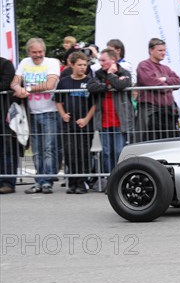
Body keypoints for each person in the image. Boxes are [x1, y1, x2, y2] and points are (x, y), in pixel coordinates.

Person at [11, 38, 61, 194]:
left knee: (49, 149)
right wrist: (18, 88)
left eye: (40, 52)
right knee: (37, 151)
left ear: (44, 51)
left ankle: (47, 181)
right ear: (29, 52)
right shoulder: (25, 62)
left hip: (50, 111)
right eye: (34, 52)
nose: (38, 55)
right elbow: (14, 82)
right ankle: (39, 181)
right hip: (32, 112)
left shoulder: (52, 62)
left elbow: (50, 84)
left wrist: (28, 89)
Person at [54, 51, 95, 194]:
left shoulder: (90, 81)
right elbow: (58, 101)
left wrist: (86, 119)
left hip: (84, 125)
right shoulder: (64, 81)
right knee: (70, 153)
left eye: (85, 65)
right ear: (72, 65)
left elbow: (94, 104)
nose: (82, 67)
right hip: (68, 125)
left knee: (83, 153)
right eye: (79, 65)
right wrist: (63, 114)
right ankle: (72, 182)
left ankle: (82, 182)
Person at [87, 48, 134, 174]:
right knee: (107, 152)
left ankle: (120, 177)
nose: (101, 63)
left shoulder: (124, 72)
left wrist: (110, 75)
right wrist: (108, 86)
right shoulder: (97, 73)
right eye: (100, 60)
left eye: (103, 60)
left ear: (113, 60)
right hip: (104, 120)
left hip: (120, 120)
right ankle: (109, 177)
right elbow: (91, 87)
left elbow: (121, 85)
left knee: (119, 151)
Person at [136, 38, 180, 142]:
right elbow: (151, 82)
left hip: (167, 112)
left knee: (170, 141)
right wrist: (168, 86)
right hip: (151, 111)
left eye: (164, 50)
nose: (163, 53)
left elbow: (177, 81)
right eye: (160, 50)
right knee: (151, 141)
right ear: (151, 50)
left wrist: (164, 79)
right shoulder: (143, 65)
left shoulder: (166, 68)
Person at [0, 56, 18, 194]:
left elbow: (5, 84)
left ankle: (8, 182)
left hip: (4, 113)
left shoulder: (5, 64)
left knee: (7, 149)